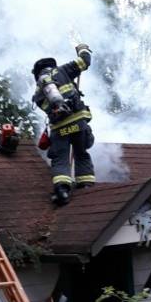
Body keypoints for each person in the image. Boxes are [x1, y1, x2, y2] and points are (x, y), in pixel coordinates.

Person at [32, 43, 95, 205]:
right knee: (81, 153)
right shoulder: (63, 70)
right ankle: (86, 186)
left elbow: (48, 110)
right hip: (78, 123)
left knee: (60, 159)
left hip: (59, 129)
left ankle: (62, 190)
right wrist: (82, 48)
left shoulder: (38, 93)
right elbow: (85, 61)